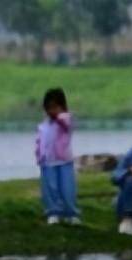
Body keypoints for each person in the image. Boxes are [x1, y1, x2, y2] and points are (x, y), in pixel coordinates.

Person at [35, 87, 80, 226]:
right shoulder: (43, 126)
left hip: (64, 161)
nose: (52, 111)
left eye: (55, 107)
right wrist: (39, 156)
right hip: (48, 162)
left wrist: (60, 115)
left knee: (67, 189)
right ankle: (53, 213)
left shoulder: (66, 121)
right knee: (50, 189)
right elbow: (39, 142)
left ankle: (71, 214)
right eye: (49, 108)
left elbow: (66, 122)